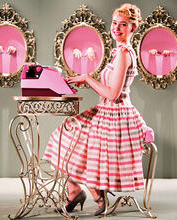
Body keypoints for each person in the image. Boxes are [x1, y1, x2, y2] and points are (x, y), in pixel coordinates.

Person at [43, 3, 153, 216]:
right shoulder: (118, 52)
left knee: (76, 141)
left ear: (133, 29)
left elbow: (113, 94)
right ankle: (76, 190)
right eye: (114, 23)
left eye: (123, 25)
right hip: (106, 111)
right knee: (68, 136)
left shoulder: (123, 53)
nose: (117, 28)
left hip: (117, 115)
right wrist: (83, 81)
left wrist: (86, 78)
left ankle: (91, 192)